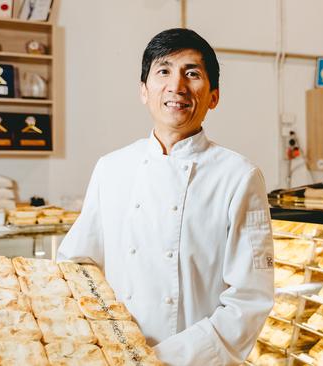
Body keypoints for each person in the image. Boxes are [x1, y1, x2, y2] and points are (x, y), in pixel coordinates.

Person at [57, 28, 274, 365]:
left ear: (213, 96)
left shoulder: (239, 176)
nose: (177, 86)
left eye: (192, 74)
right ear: (144, 91)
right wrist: (101, 340)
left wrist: (161, 359)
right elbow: (77, 265)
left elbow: (249, 300)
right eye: (163, 71)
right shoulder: (111, 167)